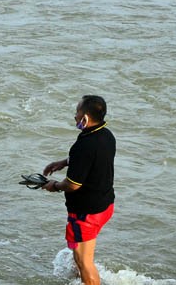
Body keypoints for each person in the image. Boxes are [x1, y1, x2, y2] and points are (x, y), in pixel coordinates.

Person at [42, 95, 115, 285]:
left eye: (77, 112)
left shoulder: (84, 145)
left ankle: (86, 277)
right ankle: (79, 278)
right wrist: (65, 162)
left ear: (86, 118)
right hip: (104, 205)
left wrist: (54, 186)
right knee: (82, 257)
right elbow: (92, 159)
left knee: (85, 262)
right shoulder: (106, 135)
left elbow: (73, 184)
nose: (74, 116)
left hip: (87, 214)